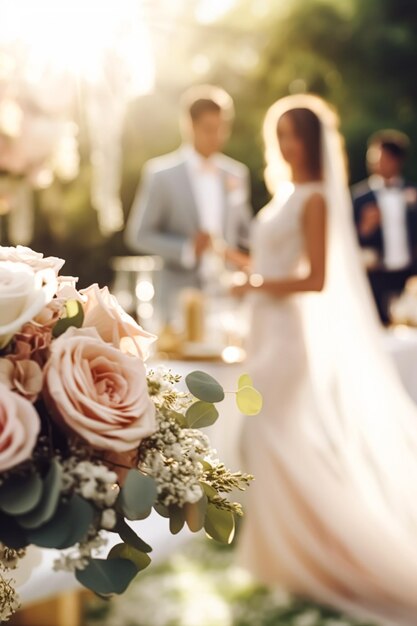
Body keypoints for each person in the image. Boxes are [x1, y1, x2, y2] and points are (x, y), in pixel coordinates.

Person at [227, 95, 417, 626]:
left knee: (272, 438)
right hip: (263, 332)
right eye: (280, 133)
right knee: (268, 441)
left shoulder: (314, 198)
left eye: (295, 134)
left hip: (288, 339)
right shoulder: (285, 193)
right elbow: (269, 263)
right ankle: (284, 558)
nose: (286, 144)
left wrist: (254, 282)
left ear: (311, 143)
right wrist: (239, 266)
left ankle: (330, 554)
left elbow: (315, 278)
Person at [124, 85, 252, 318]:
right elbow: (139, 235)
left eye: (222, 128)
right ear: (189, 126)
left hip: (228, 299)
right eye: (209, 129)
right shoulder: (161, 175)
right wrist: (187, 248)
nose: (217, 136)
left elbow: (245, 232)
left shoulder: (236, 174)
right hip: (177, 300)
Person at [352, 130, 417, 324]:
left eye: (380, 158)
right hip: (377, 274)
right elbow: (350, 239)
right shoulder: (360, 197)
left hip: (409, 273)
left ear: (396, 160)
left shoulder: (411, 192)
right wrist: (365, 227)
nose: (375, 163)